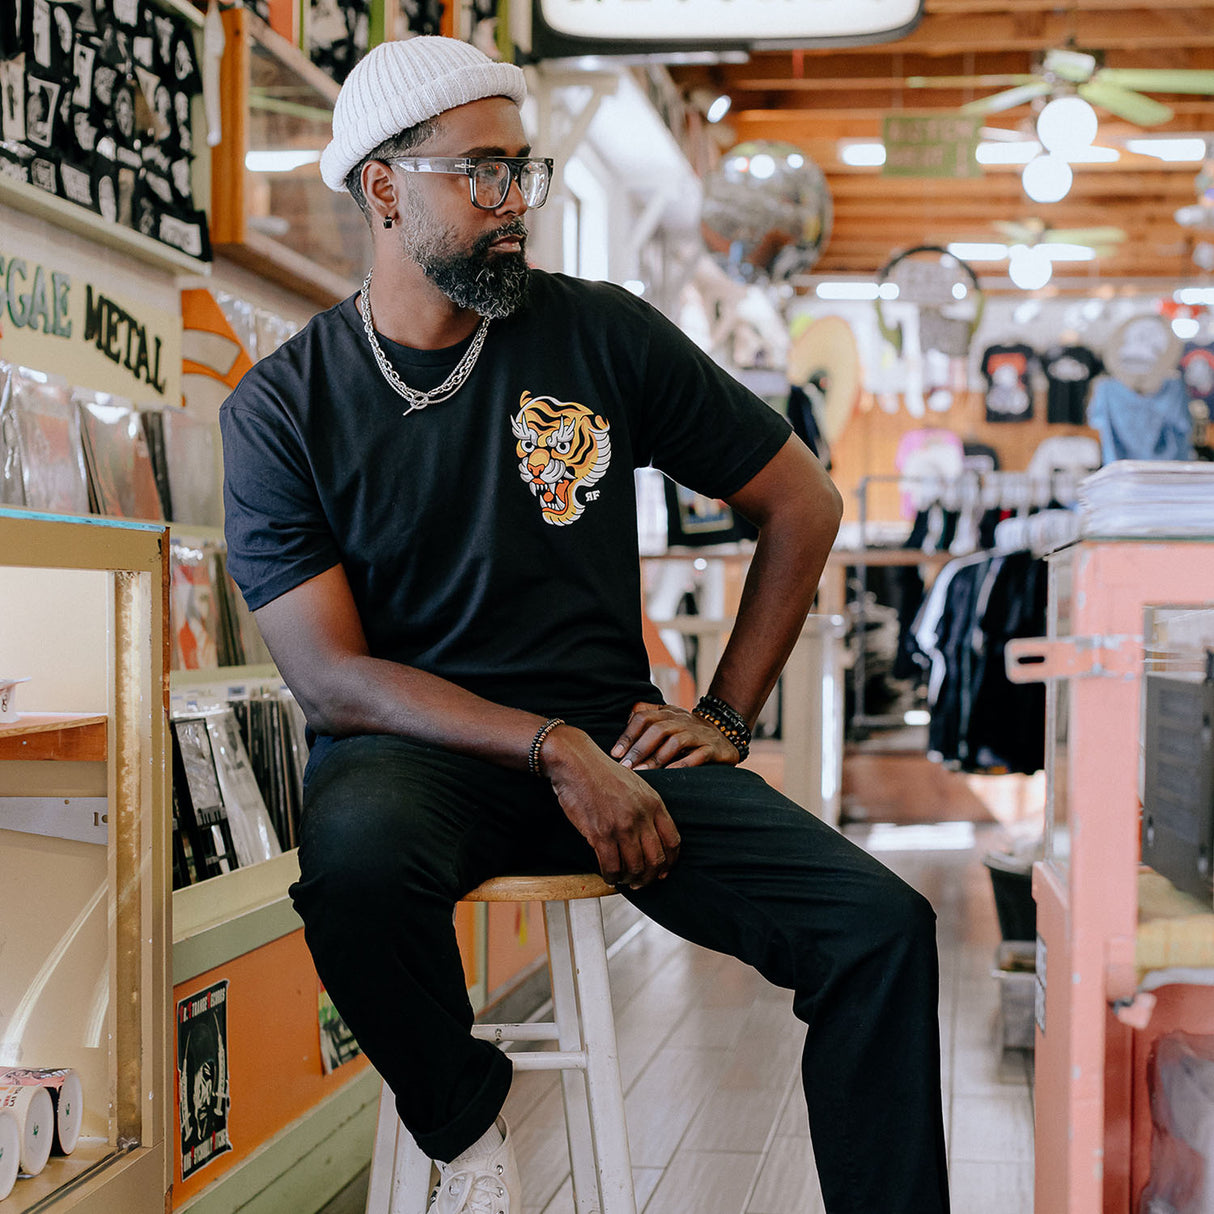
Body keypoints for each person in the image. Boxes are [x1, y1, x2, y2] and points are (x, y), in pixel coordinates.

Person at [219, 35, 949, 1214]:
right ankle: (463, 1122)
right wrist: (553, 744)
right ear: (384, 186)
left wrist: (722, 711)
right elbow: (332, 678)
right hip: (419, 760)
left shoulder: (596, 331)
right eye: (482, 174)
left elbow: (797, 499)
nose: (516, 206)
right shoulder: (281, 408)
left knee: (879, 928)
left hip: (624, 754)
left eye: (525, 171)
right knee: (349, 867)